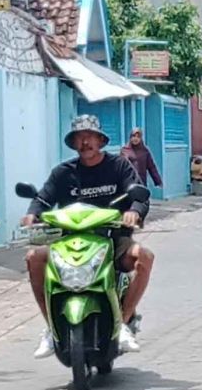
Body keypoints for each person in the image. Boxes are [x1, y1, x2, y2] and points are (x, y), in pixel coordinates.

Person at [22, 115, 154, 358]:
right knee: (34, 258)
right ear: (73, 143)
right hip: (69, 241)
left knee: (144, 257)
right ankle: (51, 329)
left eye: (90, 137)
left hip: (113, 239)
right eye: (79, 138)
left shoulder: (119, 166)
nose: (85, 142)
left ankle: (123, 323)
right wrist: (33, 214)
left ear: (100, 141)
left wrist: (134, 212)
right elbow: (42, 198)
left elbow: (139, 196)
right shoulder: (63, 172)